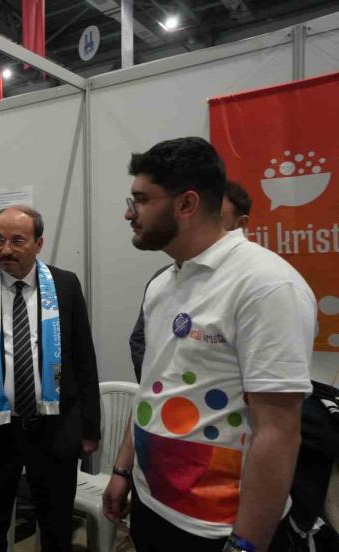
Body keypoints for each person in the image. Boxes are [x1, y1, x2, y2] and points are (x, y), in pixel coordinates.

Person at [103, 137, 316, 552]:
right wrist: (123, 469)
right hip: (151, 504)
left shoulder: (266, 286)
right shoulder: (164, 283)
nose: (129, 213)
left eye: (141, 200)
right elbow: (152, 387)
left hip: (217, 527)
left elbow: (278, 432)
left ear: (186, 204)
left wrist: (247, 544)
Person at [0, 206, 101, 552]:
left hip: (54, 428)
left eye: (17, 240)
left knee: (56, 524)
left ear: (39, 243)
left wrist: (90, 428)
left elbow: (84, 360)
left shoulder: (65, 285)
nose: (6, 249)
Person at [129, 180, 252, 381]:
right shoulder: (161, 280)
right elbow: (140, 340)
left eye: (217, 218)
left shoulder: (256, 280)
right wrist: (162, 382)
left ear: (241, 223)